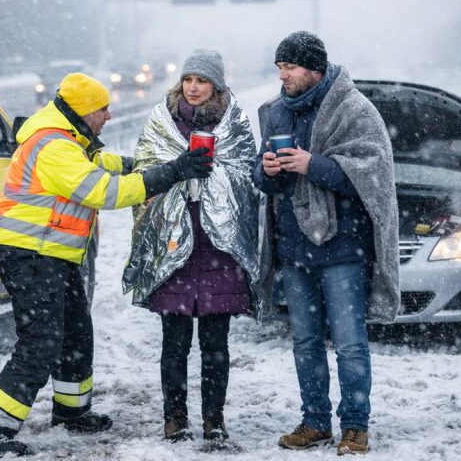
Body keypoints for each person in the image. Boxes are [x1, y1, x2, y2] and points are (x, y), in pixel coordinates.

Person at [0, 72, 214, 457]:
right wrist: (172, 172)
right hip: (29, 255)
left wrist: (145, 164)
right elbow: (104, 190)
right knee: (41, 343)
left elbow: (108, 163)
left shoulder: (71, 141)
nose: (109, 116)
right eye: (102, 109)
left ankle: (72, 413)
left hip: (52, 254)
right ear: (83, 111)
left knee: (76, 335)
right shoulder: (54, 147)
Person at [252, 31, 399, 455]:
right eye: (279, 67)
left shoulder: (353, 109)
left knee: (350, 343)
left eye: (291, 67)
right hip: (294, 249)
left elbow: (372, 175)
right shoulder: (278, 112)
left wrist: (312, 164)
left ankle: (355, 425)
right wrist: (269, 169)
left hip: (341, 250)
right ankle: (314, 421)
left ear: (315, 69)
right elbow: (264, 182)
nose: (283, 75)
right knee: (305, 342)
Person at [122, 49, 260, 444]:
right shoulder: (161, 123)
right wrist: (179, 169)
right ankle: (175, 417)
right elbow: (145, 172)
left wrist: (215, 179)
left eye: (202, 80)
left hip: (218, 249)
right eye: (188, 80)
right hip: (173, 248)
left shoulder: (233, 124)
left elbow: (245, 177)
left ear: (215, 85)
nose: (194, 87)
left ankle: (214, 420)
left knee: (217, 344)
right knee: (175, 343)